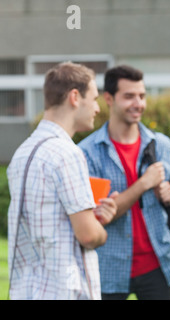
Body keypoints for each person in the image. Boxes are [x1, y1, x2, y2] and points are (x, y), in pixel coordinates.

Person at [7, 62, 117, 300]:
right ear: (75, 97)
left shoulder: (22, 153)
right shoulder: (67, 153)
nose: (97, 109)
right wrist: (100, 228)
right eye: (94, 99)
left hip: (27, 291)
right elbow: (88, 235)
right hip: (63, 292)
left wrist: (93, 215)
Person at [78, 65, 170, 300]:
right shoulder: (87, 153)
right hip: (109, 266)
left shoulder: (161, 144)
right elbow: (99, 217)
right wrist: (143, 184)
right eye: (129, 96)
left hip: (159, 263)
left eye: (142, 96)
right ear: (109, 99)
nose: (138, 103)